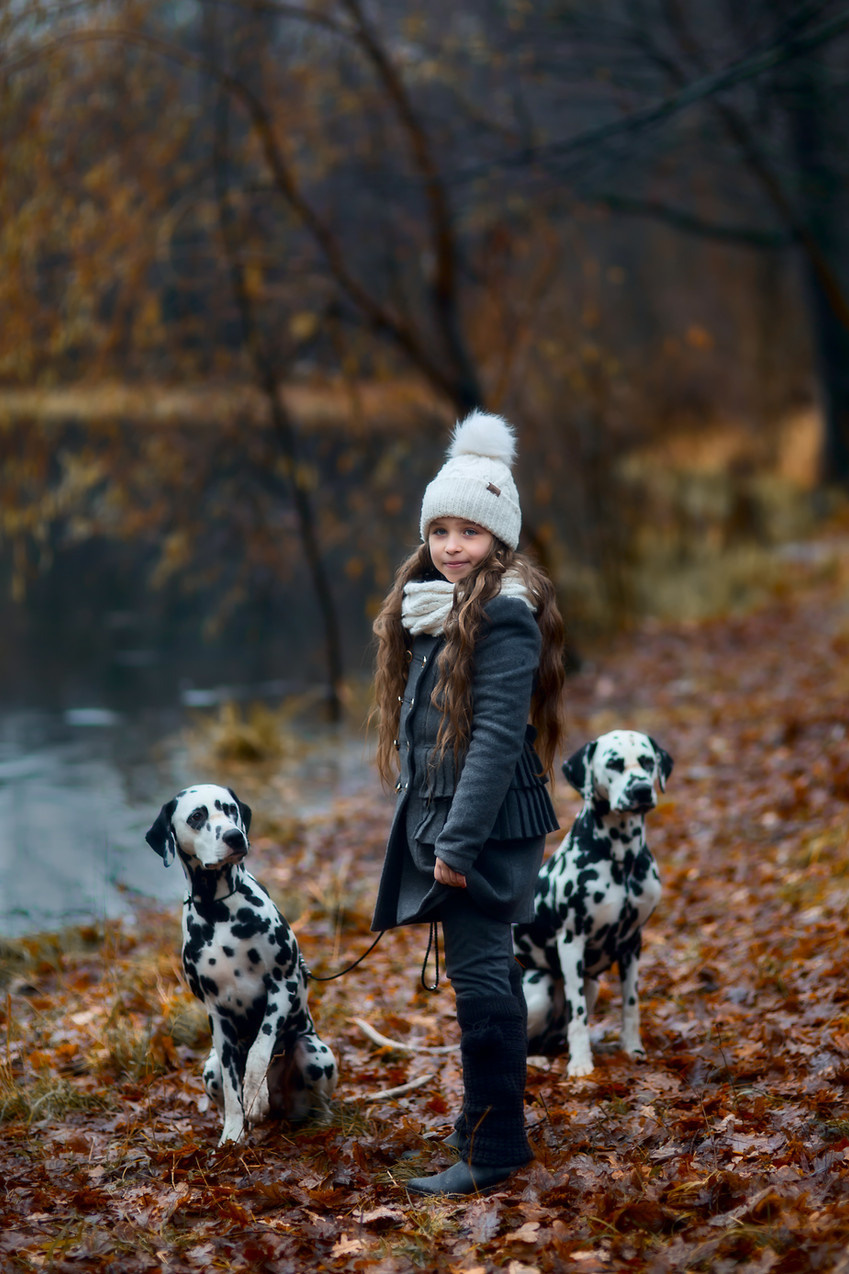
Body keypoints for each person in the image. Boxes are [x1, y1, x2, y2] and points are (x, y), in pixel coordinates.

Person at [371, 410, 567, 1197]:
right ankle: (483, 1127)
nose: (452, 545)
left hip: (481, 829)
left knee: (483, 977)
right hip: (452, 820)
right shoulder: (437, 607)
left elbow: (491, 741)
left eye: (470, 533)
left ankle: (493, 1150)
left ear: (501, 541)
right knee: (473, 974)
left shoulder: (504, 617)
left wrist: (455, 846)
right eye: (441, 529)